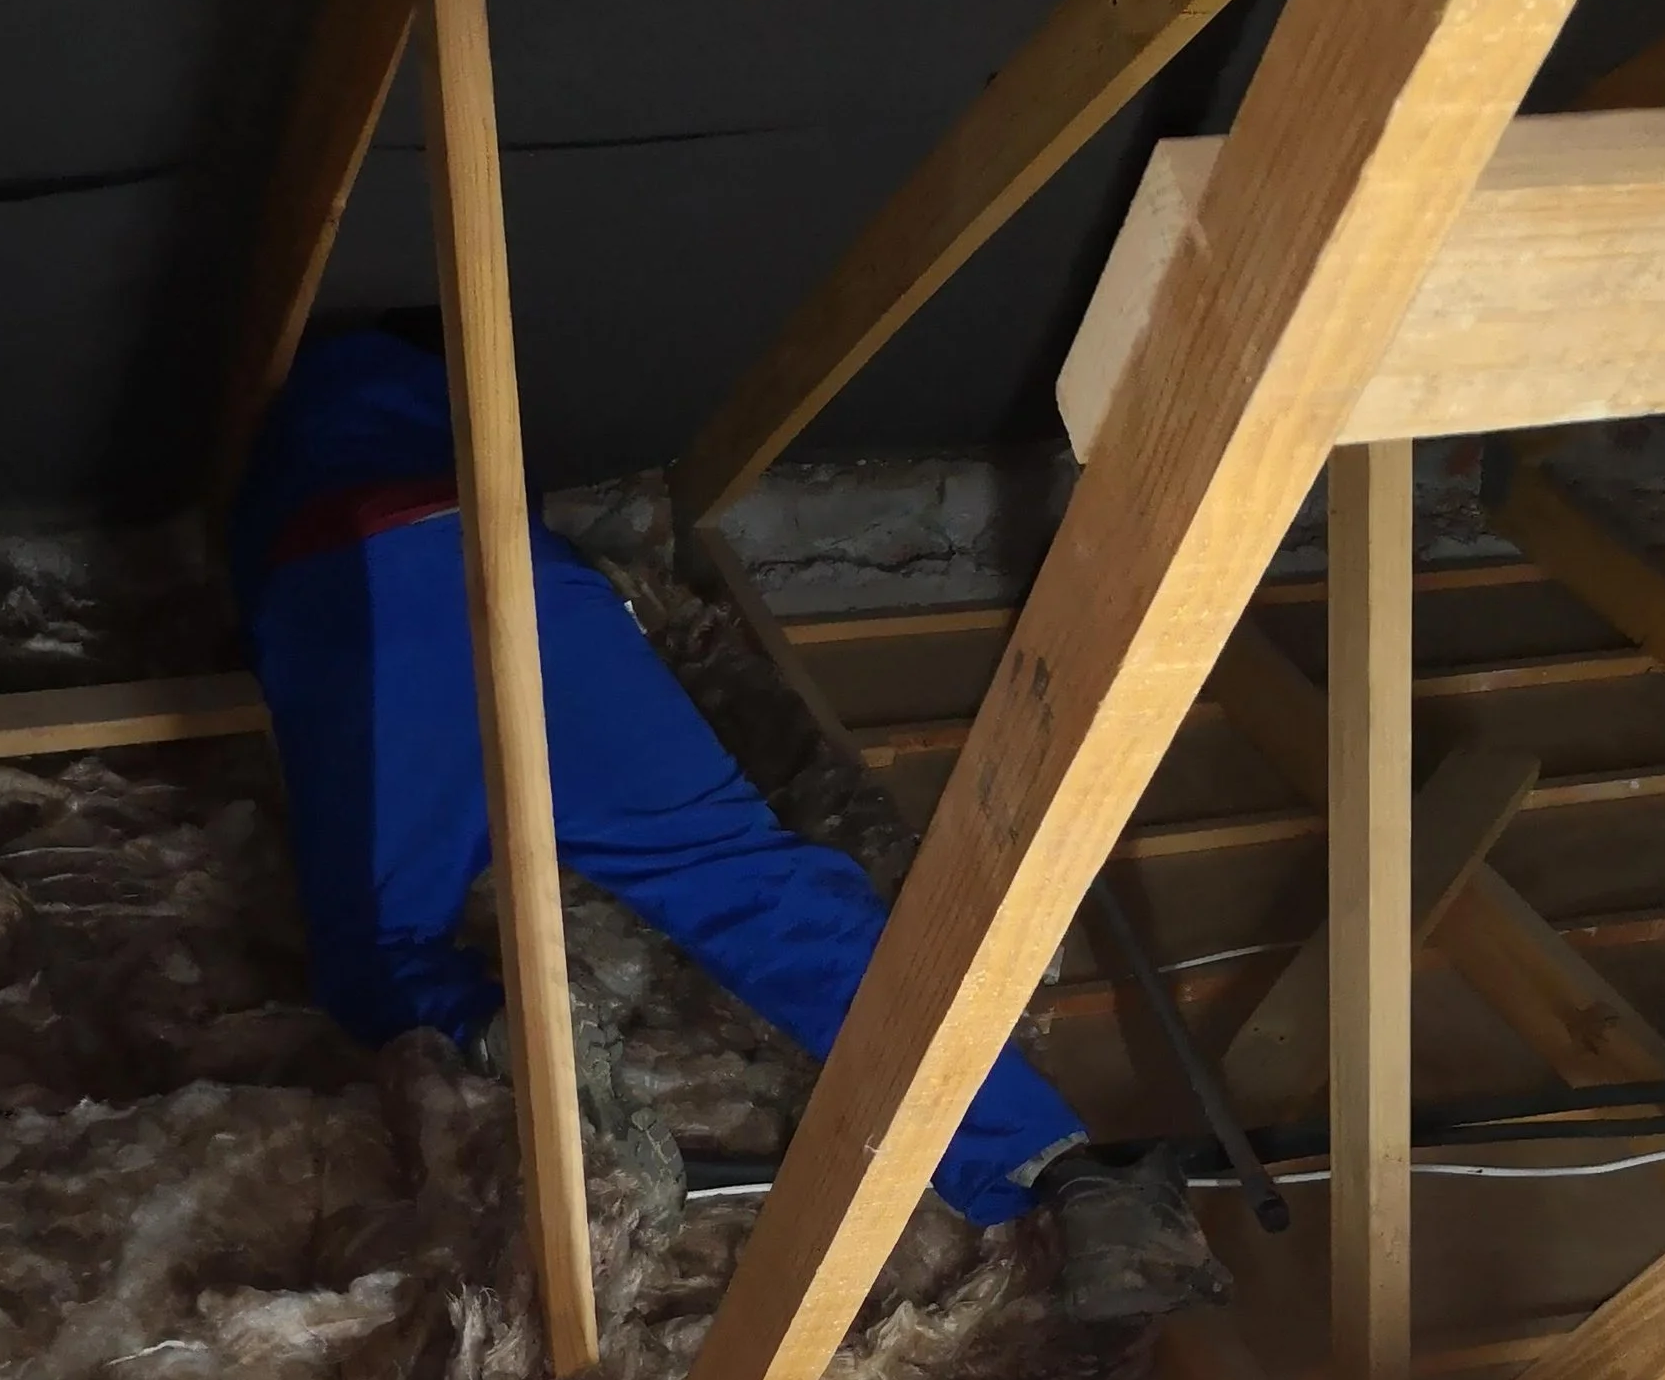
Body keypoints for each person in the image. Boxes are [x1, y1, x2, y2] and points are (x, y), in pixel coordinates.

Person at [230, 317, 1218, 1308]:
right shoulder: (470, 418)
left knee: (374, 952)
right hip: (526, 586)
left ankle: (517, 1034)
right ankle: (1059, 1174)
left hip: (344, 600)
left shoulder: (271, 463)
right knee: (750, 882)